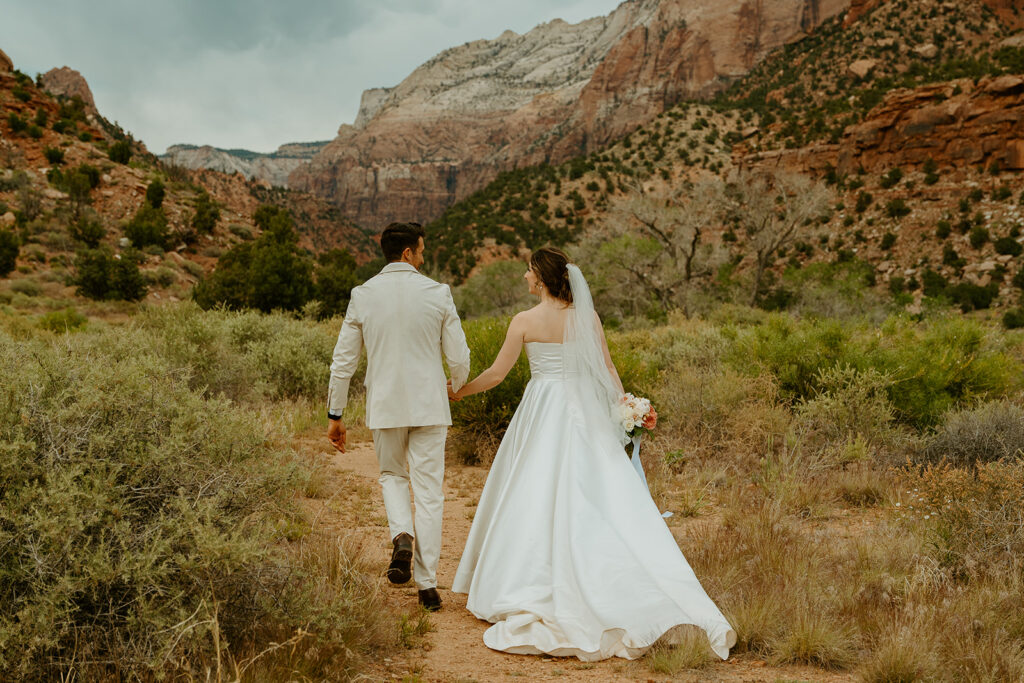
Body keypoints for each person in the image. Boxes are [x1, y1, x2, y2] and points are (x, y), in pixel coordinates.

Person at [450, 247, 736, 660]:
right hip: (583, 409)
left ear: (542, 278)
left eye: (528, 272)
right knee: (599, 490)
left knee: (536, 488)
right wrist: (626, 407)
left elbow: (497, 374)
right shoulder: (587, 318)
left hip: (543, 408)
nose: (524, 278)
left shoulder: (525, 321)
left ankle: (532, 575)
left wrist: (460, 391)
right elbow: (607, 369)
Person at [327, 222, 471, 612]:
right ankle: (427, 585)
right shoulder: (438, 293)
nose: (424, 258)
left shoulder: (363, 295)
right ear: (407, 253)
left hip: (385, 406)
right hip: (430, 406)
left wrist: (335, 413)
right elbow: (458, 356)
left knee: (392, 475)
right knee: (429, 492)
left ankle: (402, 536)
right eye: (421, 251)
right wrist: (455, 385)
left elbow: (343, 361)